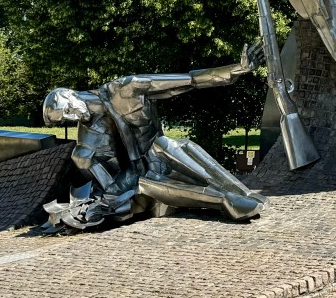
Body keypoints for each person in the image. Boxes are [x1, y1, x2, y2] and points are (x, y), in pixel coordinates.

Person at [42, 44, 267, 230]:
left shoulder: (125, 90)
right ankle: (226, 201)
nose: (72, 118)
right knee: (141, 180)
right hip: (140, 176)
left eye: (67, 111)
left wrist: (238, 68)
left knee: (163, 145)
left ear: (70, 96)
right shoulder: (87, 136)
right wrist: (108, 199)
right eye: (66, 119)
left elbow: (190, 80)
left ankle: (238, 194)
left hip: (163, 152)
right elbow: (106, 179)